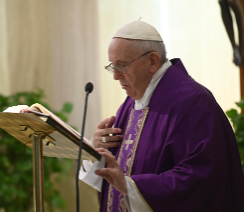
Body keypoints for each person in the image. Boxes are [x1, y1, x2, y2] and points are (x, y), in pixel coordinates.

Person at [79, 19, 244, 212]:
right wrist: (96, 151)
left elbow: (202, 177)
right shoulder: (132, 102)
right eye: (112, 66)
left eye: (122, 65)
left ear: (152, 61)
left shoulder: (193, 102)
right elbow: (116, 170)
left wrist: (131, 186)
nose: (115, 76)